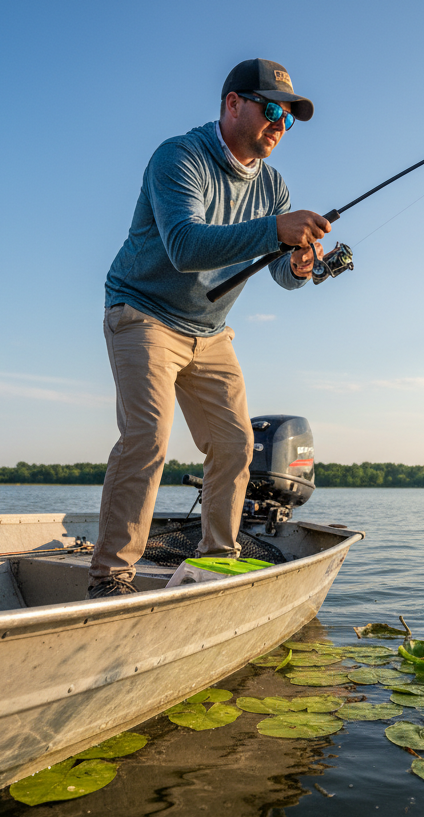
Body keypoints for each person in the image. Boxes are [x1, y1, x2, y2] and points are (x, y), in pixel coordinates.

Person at [88, 58, 331, 599]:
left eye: (288, 118)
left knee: (236, 443)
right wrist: (274, 229)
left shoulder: (273, 186)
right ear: (233, 104)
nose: (279, 125)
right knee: (147, 438)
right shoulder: (179, 158)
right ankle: (110, 577)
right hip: (143, 311)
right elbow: (185, 247)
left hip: (210, 329)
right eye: (272, 110)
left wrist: (294, 265)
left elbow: (276, 270)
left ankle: (218, 561)